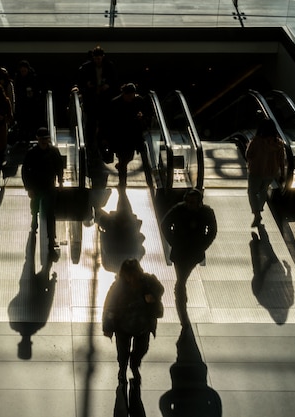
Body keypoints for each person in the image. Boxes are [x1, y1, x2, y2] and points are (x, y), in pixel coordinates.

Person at [102, 258, 164, 386]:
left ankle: (134, 363)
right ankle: (123, 370)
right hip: (123, 327)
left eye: (134, 274)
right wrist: (107, 327)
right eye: (129, 275)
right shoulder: (117, 288)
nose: (132, 278)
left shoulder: (148, 281)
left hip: (143, 326)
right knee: (122, 352)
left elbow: (160, 289)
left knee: (142, 349)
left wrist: (152, 296)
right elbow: (109, 306)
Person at [161, 189, 217, 325]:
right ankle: (181, 301)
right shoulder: (180, 210)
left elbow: (212, 231)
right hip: (182, 251)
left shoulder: (206, 212)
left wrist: (203, 244)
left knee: (182, 278)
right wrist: (173, 241)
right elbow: (165, 225)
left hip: (192, 251)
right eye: (188, 201)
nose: (189, 204)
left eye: (192, 202)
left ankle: (181, 299)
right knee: (181, 278)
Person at [22, 127, 64, 250]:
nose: (44, 142)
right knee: (35, 207)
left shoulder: (54, 152)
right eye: (42, 139)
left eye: (45, 139)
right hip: (36, 186)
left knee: (51, 213)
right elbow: (25, 171)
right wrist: (28, 188)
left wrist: (60, 182)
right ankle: (34, 220)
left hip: (49, 186)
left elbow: (59, 167)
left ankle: (52, 238)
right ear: (38, 139)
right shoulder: (31, 153)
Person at [76, 45, 118, 158]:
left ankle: (101, 143)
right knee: (91, 122)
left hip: (104, 98)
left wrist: (107, 86)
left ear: (102, 57)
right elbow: (81, 81)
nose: (98, 60)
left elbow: (114, 81)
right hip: (92, 98)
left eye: (99, 58)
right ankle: (91, 145)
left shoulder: (109, 66)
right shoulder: (87, 67)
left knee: (104, 121)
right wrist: (87, 86)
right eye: (96, 58)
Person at [245, 119, 286, 227]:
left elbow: (248, 155)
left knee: (252, 192)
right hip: (270, 173)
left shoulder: (256, 141)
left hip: (256, 171)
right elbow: (282, 160)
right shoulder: (279, 144)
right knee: (263, 191)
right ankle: (259, 208)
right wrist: (282, 174)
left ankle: (257, 213)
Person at [108, 83, 149, 186]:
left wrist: (142, 116)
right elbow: (110, 120)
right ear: (124, 94)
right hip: (120, 135)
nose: (131, 97)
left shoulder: (138, 100)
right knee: (123, 157)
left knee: (129, 157)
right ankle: (122, 182)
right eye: (129, 95)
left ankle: (121, 165)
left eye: (133, 95)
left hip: (133, 134)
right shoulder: (116, 103)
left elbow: (146, 112)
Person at [13, 60, 42, 144]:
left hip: (31, 104)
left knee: (30, 122)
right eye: (22, 71)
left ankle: (29, 137)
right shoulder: (17, 78)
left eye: (24, 71)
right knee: (21, 122)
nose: (23, 73)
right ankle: (22, 137)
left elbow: (37, 90)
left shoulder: (33, 77)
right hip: (21, 104)